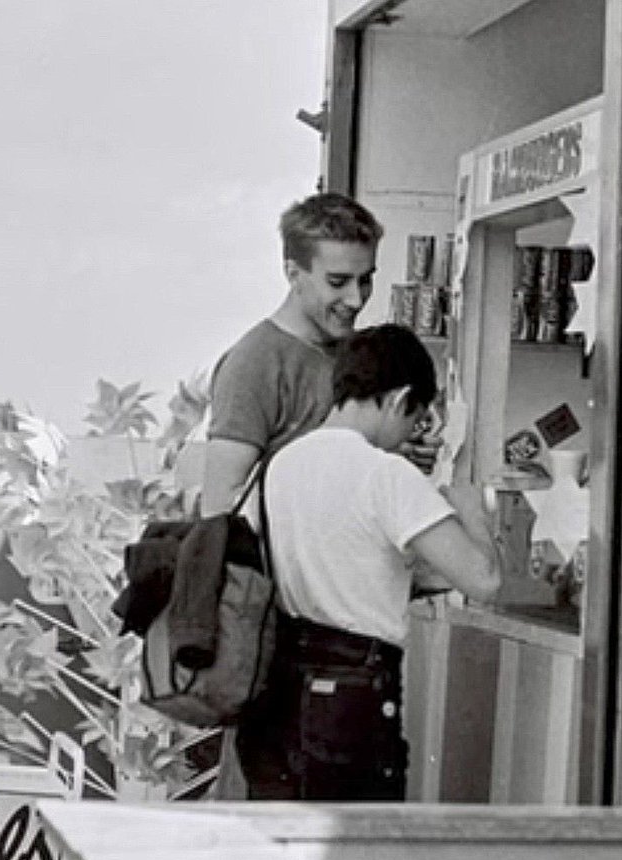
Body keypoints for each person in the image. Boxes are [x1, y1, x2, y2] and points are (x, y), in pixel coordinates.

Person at [200, 192, 438, 796]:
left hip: (353, 653)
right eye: (338, 281)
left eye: (366, 280)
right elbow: (219, 514)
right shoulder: (255, 363)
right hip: (286, 651)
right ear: (292, 271)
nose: (355, 300)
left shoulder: (348, 354)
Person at [236, 325, 502, 801]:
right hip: (353, 697)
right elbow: (484, 580)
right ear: (399, 399)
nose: (407, 438)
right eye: (414, 420)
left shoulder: (279, 465)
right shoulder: (386, 474)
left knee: (284, 855)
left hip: (277, 696)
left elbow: (333, 560)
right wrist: (473, 510)